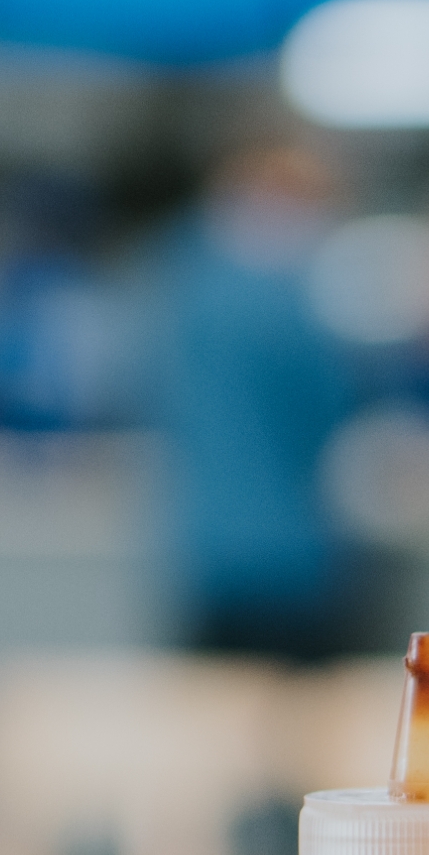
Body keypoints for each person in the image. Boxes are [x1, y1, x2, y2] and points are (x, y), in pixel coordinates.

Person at [153, 139, 369, 661]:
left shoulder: (186, 290)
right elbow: (330, 415)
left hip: (205, 553)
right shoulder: (293, 308)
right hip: (292, 561)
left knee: (214, 720)